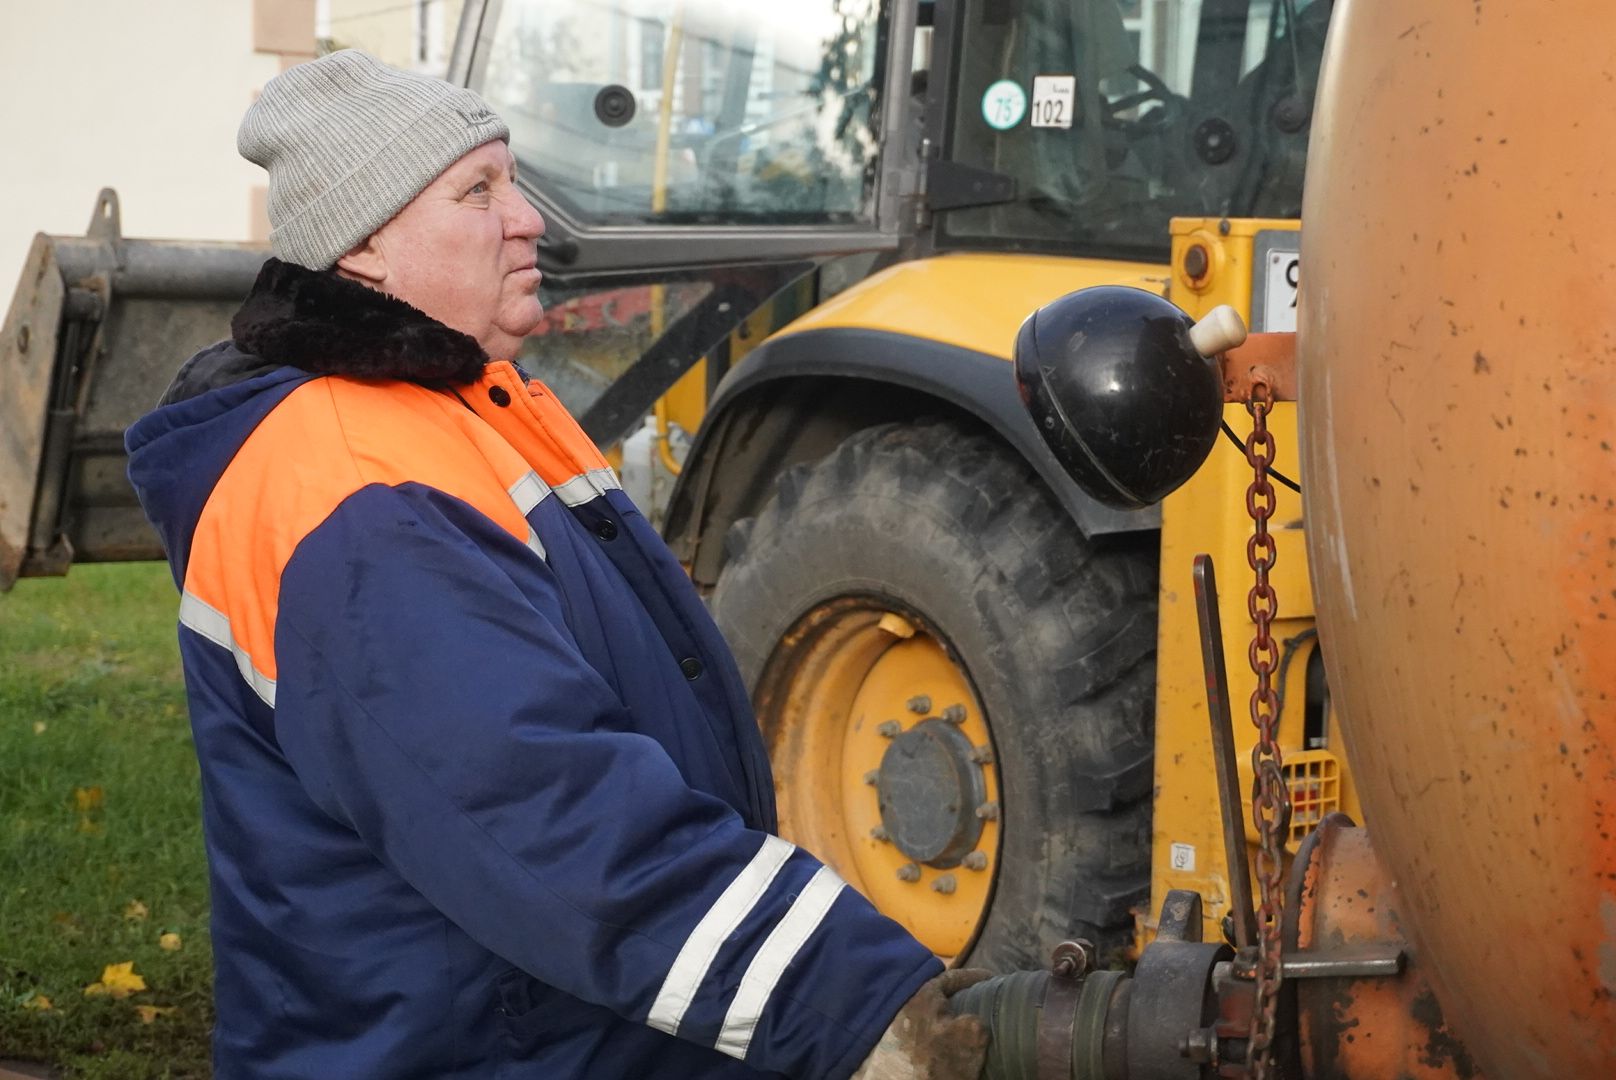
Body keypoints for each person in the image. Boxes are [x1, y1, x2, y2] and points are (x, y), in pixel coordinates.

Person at [125, 50, 989, 1079]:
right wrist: (852, 1006)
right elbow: (542, 810)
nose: (528, 217)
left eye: (514, 182)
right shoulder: (352, 488)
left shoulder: (461, 408)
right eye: (478, 192)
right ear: (363, 249)